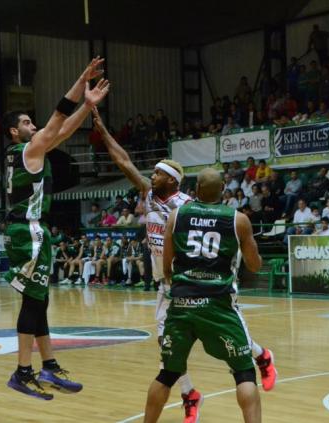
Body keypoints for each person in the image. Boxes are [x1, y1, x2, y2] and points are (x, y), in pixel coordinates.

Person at [95, 111, 276, 423]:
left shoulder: (184, 209)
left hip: (183, 284)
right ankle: (190, 394)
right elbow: (124, 163)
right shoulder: (152, 197)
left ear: (173, 180)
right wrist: (101, 128)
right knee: (167, 352)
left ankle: (261, 356)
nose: (150, 177)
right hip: (171, 285)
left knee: (214, 349)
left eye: (157, 173)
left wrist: (175, 278)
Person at [2, 57, 108, 400]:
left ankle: (48, 364)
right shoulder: (28, 149)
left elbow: (63, 129)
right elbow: (59, 117)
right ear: (14, 132)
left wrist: (88, 106)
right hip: (27, 231)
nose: (33, 125)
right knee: (33, 304)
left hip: (30, 231)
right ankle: (22, 372)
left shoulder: (32, 150)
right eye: (26, 121)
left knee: (40, 299)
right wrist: (81, 81)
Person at [143, 168, 267, 423]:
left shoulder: (177, 216)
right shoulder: (238, 219)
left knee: (166, 375)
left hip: (181, 304)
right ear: (223, 191)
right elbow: (255, 266)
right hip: (219, 306)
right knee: (244, 373)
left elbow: (167, 266)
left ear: (195, 191)